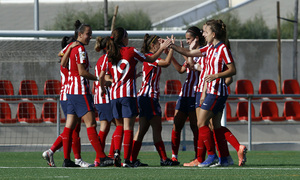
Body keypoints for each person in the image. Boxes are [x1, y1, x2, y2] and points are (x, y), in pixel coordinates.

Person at [169, 19, 247, 167]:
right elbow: (190, 52)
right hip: (210, 91)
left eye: (205, 32)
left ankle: (211, 156)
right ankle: (227, 157)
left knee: (201, 122)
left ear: (214, 33)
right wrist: (172, 46)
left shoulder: (223, 48)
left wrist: (216, 76)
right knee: (215, 125)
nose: (203, 34)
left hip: (216, 91)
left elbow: (232, 70)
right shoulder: (209, 49)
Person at [99, 27, 172, 167]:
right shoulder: (131, 51)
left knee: (119, 126)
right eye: (127, 36)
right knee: (128, 128)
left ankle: (115, 153)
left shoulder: (109, 54)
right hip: (127, 94)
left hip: (114, 95)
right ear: (124, 38)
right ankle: (127, 160)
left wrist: (102, 89)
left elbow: (102, 75)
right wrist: (162, 48)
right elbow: (150, 58)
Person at [60, 21, 114, 167]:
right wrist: (99, 79)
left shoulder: (72, 47)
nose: (90, 37)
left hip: (70, 91)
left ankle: (66, 159)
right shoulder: (81, 49)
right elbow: (82, 72)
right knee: (91, 123)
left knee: (69, 127)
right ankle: (102, 157)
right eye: (88, 34)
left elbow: (63, 64)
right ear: (80, 34)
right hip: (80, 91)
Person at [42, 22, 90, 167]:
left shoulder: (67, 59)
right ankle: (65, 155)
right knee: (72, 128)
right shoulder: (71, 57)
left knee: (73, 128)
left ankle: (68, 158)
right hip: (69, 94)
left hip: (68, 93)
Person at [130, 34, 180, 167]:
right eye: (159, 43)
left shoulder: (150, 57)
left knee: (142, 129)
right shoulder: (150, 58)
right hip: (149, 97)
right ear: (153, 46)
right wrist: (171, 49)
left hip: (146, 97)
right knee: (156, 128)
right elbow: (167, 63)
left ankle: (132, 159)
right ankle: (163, 159)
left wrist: (166, 49)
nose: (162, 44)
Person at [170, 26, 205, 163]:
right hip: (184, 94)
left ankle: (198, 156)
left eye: (189, 39)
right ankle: (174, 156)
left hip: (195, 94)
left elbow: (192, 65)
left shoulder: (202, 53)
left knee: (195, 127)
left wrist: (186, 52)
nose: (187, 41)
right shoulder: (192, 52)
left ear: (196, 38)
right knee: (176, 124)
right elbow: (181, 69)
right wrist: (172, 56)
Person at [91, 36, 116, 167]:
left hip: (100, 98)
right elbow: (104, 78)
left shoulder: (102, 59)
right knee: (120, 126)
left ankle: (99, 158)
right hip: (105, 97)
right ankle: (110, 156)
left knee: (105, 127)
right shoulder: (107, 59)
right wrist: (119, 81)